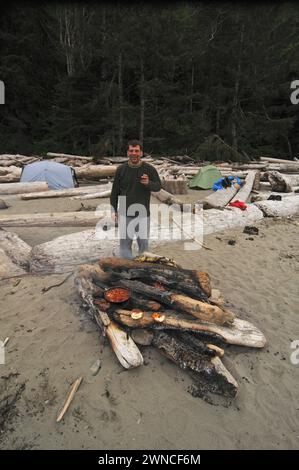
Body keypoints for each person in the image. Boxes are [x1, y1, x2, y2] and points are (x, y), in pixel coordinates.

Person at [110, 140, 162, 259]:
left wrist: (148, 183)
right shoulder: (121, 169)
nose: (134, 153)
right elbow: (115, 192)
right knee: (124, 247)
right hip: (124, 212)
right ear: (127, 153)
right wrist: (113, 210)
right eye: (131, 151)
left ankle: (142, 271)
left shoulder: (149, 169)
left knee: (143, 247)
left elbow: (158, 187)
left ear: (141, 153)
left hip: (143, 213)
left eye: (137, 151)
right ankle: (127, 270)